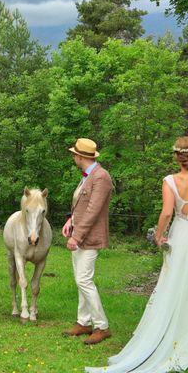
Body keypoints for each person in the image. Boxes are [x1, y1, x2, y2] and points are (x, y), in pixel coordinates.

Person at [86, 136, 188, 372]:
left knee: (179, 288)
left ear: (177, 157)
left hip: (182, 239)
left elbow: (166, 213)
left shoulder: (170, 181)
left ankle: (182, 334)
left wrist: (160, 236)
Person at [62, 138, 113, 345]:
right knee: (80, 280)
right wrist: (70, 220)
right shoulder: (88, 176)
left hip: (90, 237)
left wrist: (76, 236)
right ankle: (83, 322)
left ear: (81, 157)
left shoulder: (101, 177)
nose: (73, 156)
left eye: (74, 153)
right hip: (80, 233)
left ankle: (102, 326)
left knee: (84, 279)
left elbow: (93, 211)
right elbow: (81, 205)